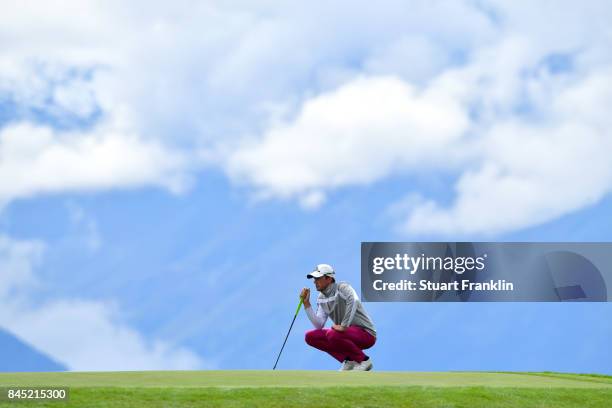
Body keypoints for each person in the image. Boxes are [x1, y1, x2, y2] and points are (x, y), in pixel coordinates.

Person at [300, 264, 376, 371]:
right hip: (344, 336)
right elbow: (319, 324)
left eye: (318, 278)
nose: (314, 281)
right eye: (314, 279)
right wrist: (306, 303)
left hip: (366, 334)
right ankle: (349, 360)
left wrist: (344, 326)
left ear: (329, 278)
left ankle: (364, 360)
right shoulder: (321, 298)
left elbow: (354, 301)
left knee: (333, 334)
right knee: (311, 336)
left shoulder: (343, 287)